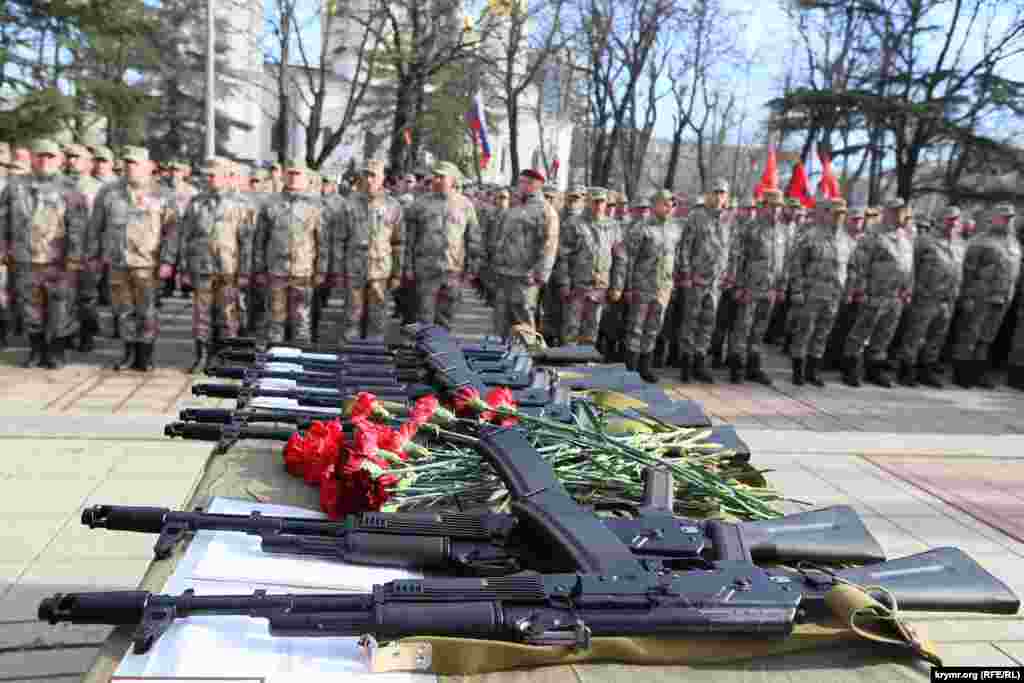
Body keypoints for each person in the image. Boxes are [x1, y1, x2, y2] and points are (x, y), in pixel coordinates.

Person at [92, 146, 179, 371]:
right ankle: (128, 354)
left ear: (147, 166)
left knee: (147, 311)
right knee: (123, 310)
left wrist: (168, 261)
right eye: (127, 163)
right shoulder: (108, 192)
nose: (130, 167)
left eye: (135, 163)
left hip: (148, 265)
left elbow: (172, 231)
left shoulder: (163, 194)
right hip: (118, 261)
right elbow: (95, 227)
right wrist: (93, 256)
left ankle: (145, 355)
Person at [7, 140, 87, 368]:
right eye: (40, 156)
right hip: (26, 258)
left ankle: (56, 352)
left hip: (58, 261)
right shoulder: (15, 186)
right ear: (32, 158)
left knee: (61, 308)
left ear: (59, 160)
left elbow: (79, 226)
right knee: (30, 307)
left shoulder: (70, 188)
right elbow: (3, 219)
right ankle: (36, 350)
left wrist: (74, 257)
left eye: (50, 157)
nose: (45, 161)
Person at [175, 157, 254, 371]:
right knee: (201, 315)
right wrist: (183, 268)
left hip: (229, 269)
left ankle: (227, 358)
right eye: (206, 175)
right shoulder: (197, 203)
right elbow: (185, 236)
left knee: (228, 314)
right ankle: (202, 357)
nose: (208, 179)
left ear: (227, 177)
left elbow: (246, 242)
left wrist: (245, 272)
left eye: (213, 175)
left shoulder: (241, 205)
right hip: (201, 267)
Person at [841, 198, 915, 388]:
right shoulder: (873, 235)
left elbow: (908, 266)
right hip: (874, 294)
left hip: (895, 296)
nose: (901, 215)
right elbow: (858, 265)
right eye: (897, 211)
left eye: (903, 211)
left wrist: (907, 289)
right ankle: (850, 368)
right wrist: (860, 290)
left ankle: (874, 370)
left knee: (884, 335)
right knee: (861, 333)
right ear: (888, 212)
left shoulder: (904, 237)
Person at [253, 159, 325, 344]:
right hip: (276, 270)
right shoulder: (270, 203)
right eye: (290, 173)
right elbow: (260, 240)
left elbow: (322, 242)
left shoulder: (315, 206)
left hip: (304, 271)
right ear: (284, 175)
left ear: (305, 177)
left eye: (298, 174)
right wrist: (259, 269)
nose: (293, 178)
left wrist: (321, 270)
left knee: (302, 321)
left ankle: (300, 363)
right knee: (275, 320)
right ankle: (274, 363)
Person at [402, 162, 481, 331]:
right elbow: (409, 239)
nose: (436, 180)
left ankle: (441, 354)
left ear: (452, 180)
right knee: (424, 317)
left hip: (452, 271)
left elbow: (473, 239)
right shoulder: (420, 204)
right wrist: (408, 267)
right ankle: (423, 354)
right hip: (426, 270)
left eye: (441, 176)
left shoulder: (465, 205)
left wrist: (472, 270)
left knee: (445, 319)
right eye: (435, 176)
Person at [332, 159, 403, 343]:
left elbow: (398, 242)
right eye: (366, 175)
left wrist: (397, 273)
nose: (369, 179)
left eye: (374, 175)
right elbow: (339, 240)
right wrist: (338, 271)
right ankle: (349, 352)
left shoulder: (393, 206)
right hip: (354, 269)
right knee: (351, 314)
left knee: (378, 316)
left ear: (382, 178)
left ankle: (374, 354)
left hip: (380, 270)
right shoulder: (348, 204)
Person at [951, 203, 1022, 388]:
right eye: (1003, 218)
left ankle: (978, 372)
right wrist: (967, 296)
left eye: (1010, 218)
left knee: (987, 337)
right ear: (994, 218)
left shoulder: (1013, 243)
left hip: (1003, 297)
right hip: (980, 296)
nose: (1007, 221)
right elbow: (968, 272)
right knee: (970, 335)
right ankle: (962, 374)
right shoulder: (980, 241)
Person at [895, 206, 965, 388]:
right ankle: (906, 370)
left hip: (947, 298)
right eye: (950, 219)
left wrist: (957, 292)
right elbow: (912, 267)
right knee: (916, 335)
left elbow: (959, 271)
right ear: (940, 220)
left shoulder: (959, 244)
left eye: (956, 220)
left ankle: (927, 370)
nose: (953, 223)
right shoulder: (924, 241)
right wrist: (912, 290)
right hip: (926, 297)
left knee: (937, 336)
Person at [488, 168, 559, 339]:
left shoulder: (545, 210)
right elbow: (502, 239)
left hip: (525, 276)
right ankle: (498, 358)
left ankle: (527, 360)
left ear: (535, 185)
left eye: (524, 182)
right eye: (520, 182)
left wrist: (540, 274)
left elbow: (549, 243)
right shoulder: (515, 207)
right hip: (505, 274)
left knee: (523, 322)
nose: (520, 186)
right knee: (501, 320)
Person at [676, 178, 736, 383]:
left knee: (708, 324)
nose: (719, 196)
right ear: (708, 194)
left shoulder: (729, 220)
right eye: (716, 192)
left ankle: (699, 364)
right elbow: (684, 247)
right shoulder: (696, 216)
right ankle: (686, 364)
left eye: (723, 193)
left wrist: (729, 274)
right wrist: (685, 273)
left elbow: (731, 250)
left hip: (715, 283)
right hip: (696, 279)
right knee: (690, 322)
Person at [617, 190, 680, 383]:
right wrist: (627, 286)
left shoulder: (674, 229)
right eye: (665, 204)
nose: (669, 207)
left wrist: (672, 282)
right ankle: (630, 369)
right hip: (642, 286)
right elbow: (627, 258)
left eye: (671, 204)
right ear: (655, 205)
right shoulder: (641, 228)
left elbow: (674, 257)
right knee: (636, 328)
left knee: (653, 328)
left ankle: (645, 367)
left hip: (663, 287)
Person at [554, 187, 624, 347]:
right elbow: (562, 257)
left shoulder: (613, 226)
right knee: (571, 330)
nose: (599, 205)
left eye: (602, 201)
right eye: (595, 201)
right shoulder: (574, 223)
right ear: (587, 202)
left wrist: (617, 286)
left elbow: (620, 258)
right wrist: (564, 283)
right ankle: (568, 366)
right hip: (577, 287)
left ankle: (585, 366)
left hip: (599, 287)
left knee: (591, 330)